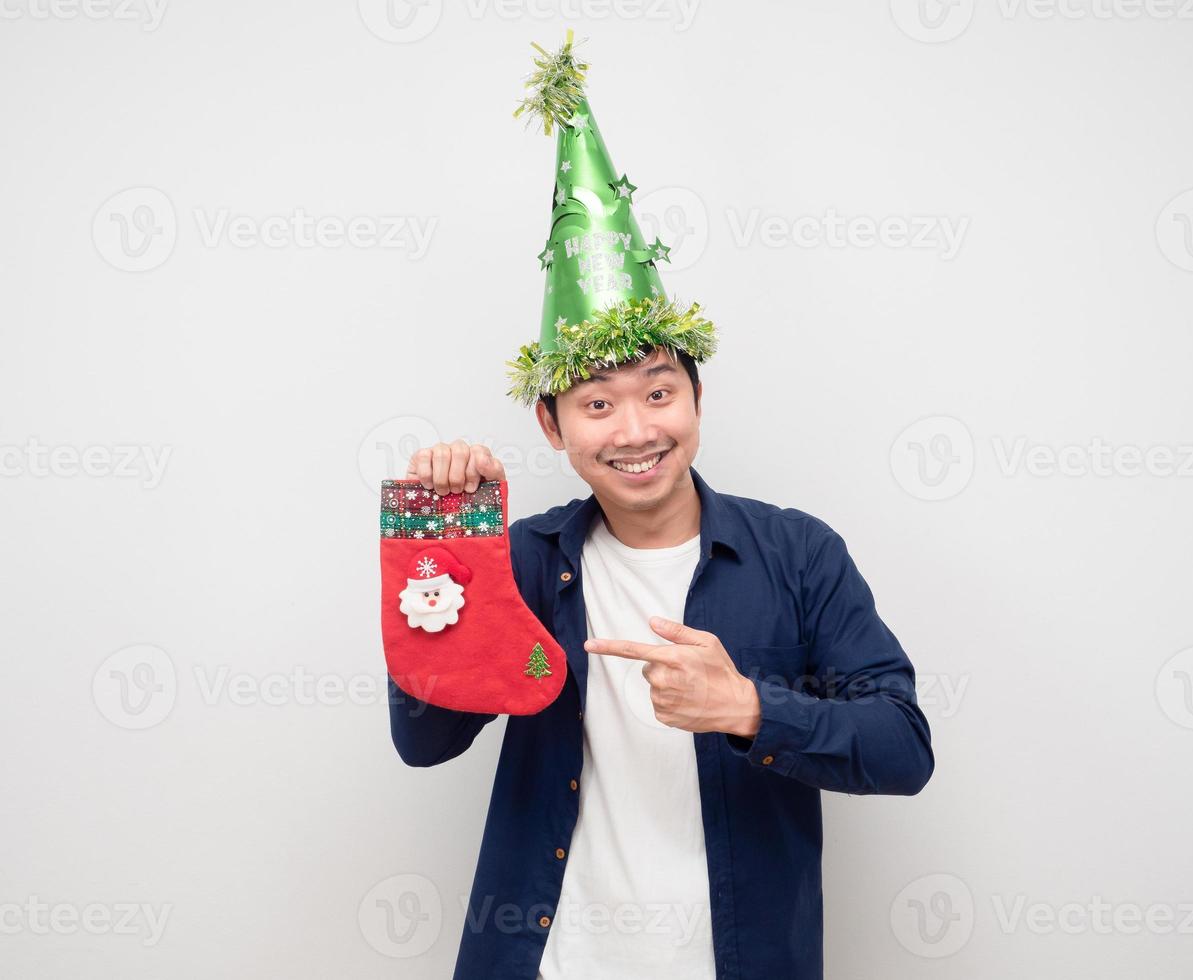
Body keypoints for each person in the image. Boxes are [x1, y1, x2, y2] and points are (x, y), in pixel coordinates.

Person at [388, 33, 934, 979]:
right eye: (596, 404)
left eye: (656, 391)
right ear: (553, 427)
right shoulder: (522, 560)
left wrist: (750, 707)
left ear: (695, 398)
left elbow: (902, 748)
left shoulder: (797, 553)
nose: (634, 428)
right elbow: (424, 739)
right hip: (548, 961)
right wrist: (451, 544)